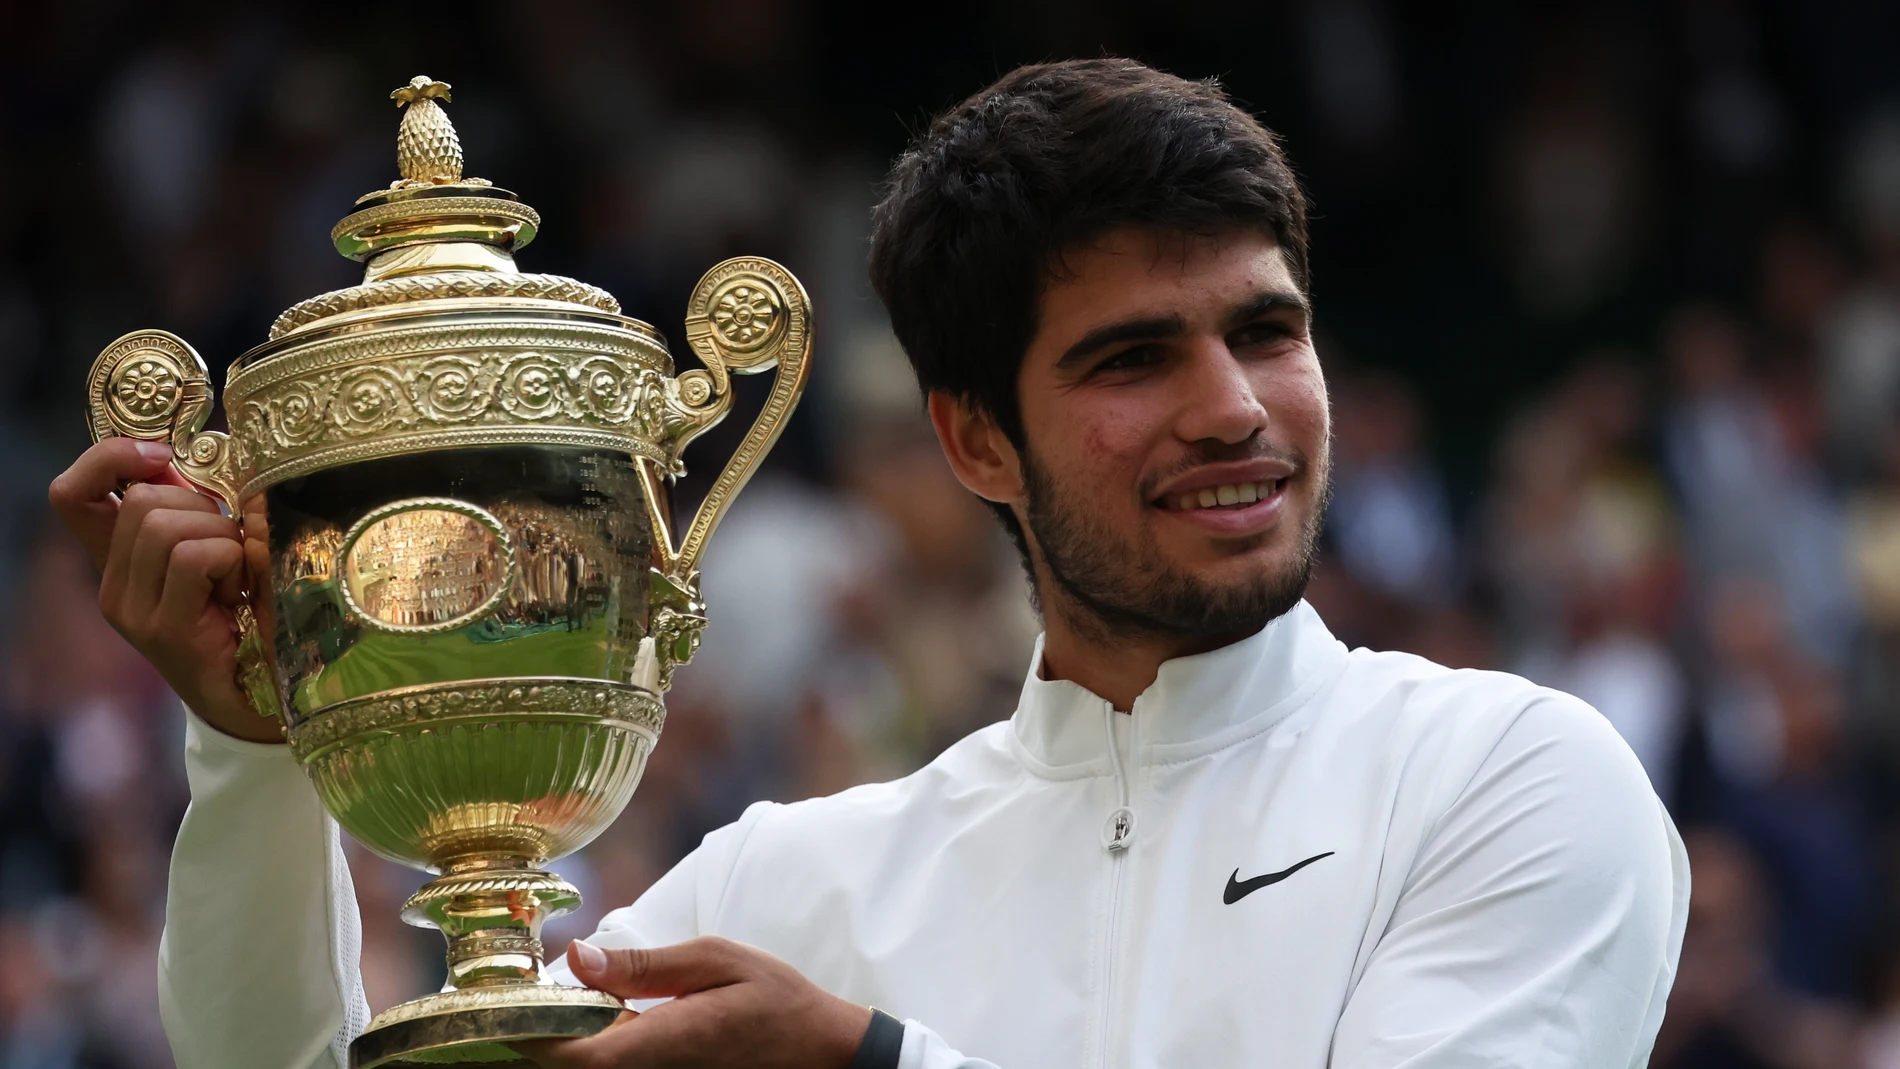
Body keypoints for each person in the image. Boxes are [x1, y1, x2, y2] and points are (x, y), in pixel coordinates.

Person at [49, 59, 1688, 1069]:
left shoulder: (1508, 778)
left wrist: (869, 1068)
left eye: (1268, 331)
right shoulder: (787, 895)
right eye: (1132, 361)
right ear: (975, 442)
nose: (1234, 410)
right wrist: (257, 753)